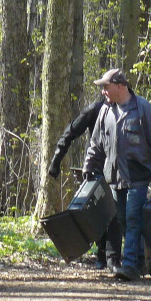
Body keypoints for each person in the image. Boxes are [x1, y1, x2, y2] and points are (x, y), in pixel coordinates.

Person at [83, 68, 151, 282]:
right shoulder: (105, 112)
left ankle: (130, 265)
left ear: (120, 86)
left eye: (106, 87)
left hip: (138, 176)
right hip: (114, 178)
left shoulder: (142, 109)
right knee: (122, 221)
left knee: (133, 218)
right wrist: (89, 166)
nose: (103, 92)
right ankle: (141, 260)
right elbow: (96, 144)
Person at [48, 96, 122, 270]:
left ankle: (110, 256)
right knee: (98, 213)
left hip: (117, 171)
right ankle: (103, 253)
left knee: (116, 213)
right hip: (95, 169)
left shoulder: (126, 110)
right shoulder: (94, 110)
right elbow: (70, 132)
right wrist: (56, 161)